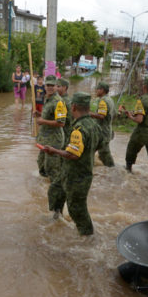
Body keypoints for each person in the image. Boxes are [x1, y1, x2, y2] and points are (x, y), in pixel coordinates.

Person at [42, 92, 102, 235]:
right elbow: (101, 143)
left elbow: (72, 154)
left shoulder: (79, 129)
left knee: (77, 209)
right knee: (55, 190)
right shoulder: (94, 124)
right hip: (70, 171)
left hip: (78, 175)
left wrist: (54, 151)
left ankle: (88, 237)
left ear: (74, 107)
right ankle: (56, 218)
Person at [35, 75, 67, 180]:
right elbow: (48, 115)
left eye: (52, 85)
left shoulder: (58, 101)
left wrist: (42, 121)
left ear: (56, 86)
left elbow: (61, 123)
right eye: (48, 85)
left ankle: (56, 189)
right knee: (41, 165)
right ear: (44, 86)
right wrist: (38, 114)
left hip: (54, 140)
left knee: (52, 168)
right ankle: (44, 189)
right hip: (45, 138)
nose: (50, 87)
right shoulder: (47, 98)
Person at [90, 81, 116, 167]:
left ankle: (113, 171)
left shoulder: (103, 101)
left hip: (102, 132)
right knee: (94, 151)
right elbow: (114, 114)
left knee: (105, 155)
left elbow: (101, 116)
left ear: (102, 90)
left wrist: (88, 113)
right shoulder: (110, 100)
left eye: (97, 89)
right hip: (107, 130)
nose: (96, 91)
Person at [56, 78, 73, 145]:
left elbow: (61, 120)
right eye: (56, 86)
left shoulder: (64, 101)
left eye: (58, 86)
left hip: (65, 132)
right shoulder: (67, 99)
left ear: (64, 87)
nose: (56, 88)